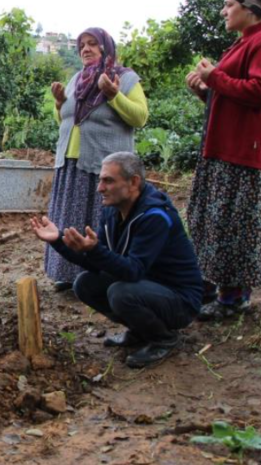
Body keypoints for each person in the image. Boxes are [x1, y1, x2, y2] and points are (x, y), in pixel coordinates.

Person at [31, 153, 203, 368]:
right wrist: (58, 240)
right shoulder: (113, 212)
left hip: (180, 301)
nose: (99, 188)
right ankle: (140, 331)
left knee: (120, 293)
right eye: (100, 180)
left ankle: (163, 338)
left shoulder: (155, 217)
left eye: (108, 181)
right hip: (148, 287)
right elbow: (99, 264)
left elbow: (133, 271)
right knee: (85, 284)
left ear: (133, 182)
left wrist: (95, 250)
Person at [185, 0, 261, 320]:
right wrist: (205, 90)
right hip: (227, 148)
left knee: (235, 226)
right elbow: (235, 97)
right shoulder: (245, 42)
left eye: (229, 3)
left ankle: (232, 299)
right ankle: (210, 289)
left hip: (245, 152)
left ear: (252, 7)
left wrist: (214, 77)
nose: (224, 10)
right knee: (215, 221)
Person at [44, 28, 148, 292]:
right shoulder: (76, 79)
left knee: (98, 222)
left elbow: (140, 118)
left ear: (106, 48)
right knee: (69, 218)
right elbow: (66, 120)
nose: (86, 49)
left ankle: (99, 277)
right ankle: (66, 274)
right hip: (70, 164)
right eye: (82, 45)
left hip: (104, 166)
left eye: (92, 44)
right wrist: (59, 104)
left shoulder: (125, 78)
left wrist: (114, 95)